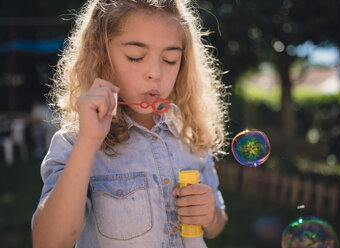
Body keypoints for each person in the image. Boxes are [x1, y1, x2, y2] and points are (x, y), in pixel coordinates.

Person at [31, 0, 229, 247]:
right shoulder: (75, 141)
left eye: (170, 59)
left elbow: (218, 221)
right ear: (101, 55)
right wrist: (88, 142)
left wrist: (210, 215)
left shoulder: (190, 132)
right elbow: (48, 242)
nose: (155, 72)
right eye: (135, 57)